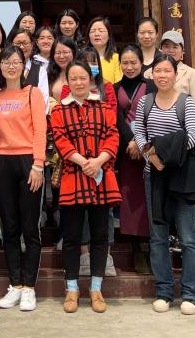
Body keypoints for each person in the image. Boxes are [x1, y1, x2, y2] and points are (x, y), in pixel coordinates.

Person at [132, 54, 195, 315]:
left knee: (188, 237)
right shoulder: (146, 102)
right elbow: (139, 132)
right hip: (154, 175)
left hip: (181, 176)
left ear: (175, 74)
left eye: (167, 71)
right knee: (158, 236)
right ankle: (164, 291)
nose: (162, 75)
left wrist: (162, 153)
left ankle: (190, 294)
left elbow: (194, 136)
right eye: (158, 71)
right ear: (152, 75)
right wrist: (151, 157)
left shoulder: (186, 102)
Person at [50, 62, 121, 314]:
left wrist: (99, 160)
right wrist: (83, 162)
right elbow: (60, 139)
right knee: (72, 237)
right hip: (73, 176)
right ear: (68, 81)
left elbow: (113, 135)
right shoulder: (59, 110)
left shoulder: (104, 107)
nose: (79, 82)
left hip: (101, 176)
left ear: (90, 80)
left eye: (83, 78)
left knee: (100, 236)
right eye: (74, 78)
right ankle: (71, 288)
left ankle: (96, 288)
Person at [0, 46, 47, 312]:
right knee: (10, 228)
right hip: (3, 162)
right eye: (6, 62)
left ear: (23, 66)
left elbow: (40, 130)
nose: (11, 66)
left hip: (28, 162)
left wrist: (38, 165)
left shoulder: (32, 93)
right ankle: (15, 284)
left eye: (15, 62)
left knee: (30, 228)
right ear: (0, 66)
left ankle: (30, 287)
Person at [115, 44, 150, 274]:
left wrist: (140, 141)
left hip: (148, 150)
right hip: (125, 152)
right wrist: (130, 141)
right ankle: (136, 249)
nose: (129, 67)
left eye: (133, 62)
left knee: (148, 198)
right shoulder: (114, 88)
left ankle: (151, 247)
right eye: (125, 63)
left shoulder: (152, 86)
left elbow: (155, 114)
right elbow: (116, 118)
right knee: (130, 198)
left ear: (141, 63)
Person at [159, 30, 195, 117]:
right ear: (161, 49)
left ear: (182, 51)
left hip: (184, 123)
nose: (171, 50)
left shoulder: (191, 73)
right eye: (166, 46)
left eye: (175, 47)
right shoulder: (150, 73)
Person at [10, 28, 49, 101]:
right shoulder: (3, 68)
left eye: (25, 43)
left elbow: (43, 99)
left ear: (32, 45)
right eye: (18, 43)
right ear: (11, 45)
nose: (21, 47)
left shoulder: (40, 71)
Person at [86, 16, 122, 85]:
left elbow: (118, 85)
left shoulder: (116, 58)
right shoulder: (82, 58)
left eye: (101, 31)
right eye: (92, 31)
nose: (96, 34)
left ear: (109, 36)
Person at [47, 36, 78, 102]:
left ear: (74, 53)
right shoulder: (50, 74)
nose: (61, 56)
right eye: (57, 53)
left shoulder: (82, 73)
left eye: (65, 52)